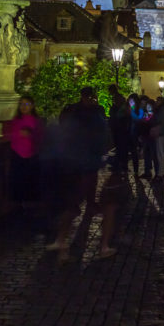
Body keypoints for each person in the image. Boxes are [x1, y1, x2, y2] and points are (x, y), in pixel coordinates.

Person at [47, 87, 116, 260]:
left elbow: (102, 134)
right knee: (76, 203)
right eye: (89, 97)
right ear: (84, 97)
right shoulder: (81, 112)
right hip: (79, 161)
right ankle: (65, 240)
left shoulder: (90, 112)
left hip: (86, 160)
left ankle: (66, 239)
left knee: (86, 199)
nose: (91, 99)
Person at [2, 94, 44, 206]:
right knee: (18, 183)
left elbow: (41, 137)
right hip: (17, 155)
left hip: (32, 156)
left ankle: (30, 207)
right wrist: (19, 133)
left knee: (30, 183)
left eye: (26, 104)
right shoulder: (16, 121)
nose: (23, 107)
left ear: (32, 106)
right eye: (21, 104)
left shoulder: (37, 121)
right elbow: (7, 134)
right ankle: (19, 207)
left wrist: (31, 135)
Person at [107, 85, 132, 179]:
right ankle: (121, 165)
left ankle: (122, 165)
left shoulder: (119, 99)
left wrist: (113, 111)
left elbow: (120, 112)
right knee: (120, 146)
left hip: (120, 126)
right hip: (119, 126)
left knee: (121, 147)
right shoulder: (118, 98)